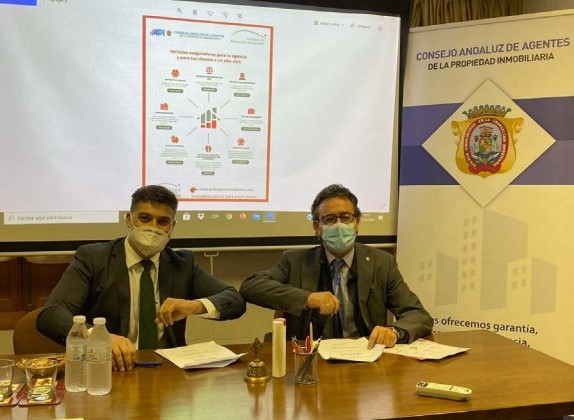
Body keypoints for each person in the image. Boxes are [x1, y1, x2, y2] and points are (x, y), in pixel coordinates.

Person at [37, 185, 246, 371]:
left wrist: (194, 306)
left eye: (162, 221)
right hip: (109, 369)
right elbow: (50, 315)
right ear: (129, 219)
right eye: (145, 218)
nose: (153, 227)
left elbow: (234, 300)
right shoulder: (93, 258)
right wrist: (98, 337)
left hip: (168, 371)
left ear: (172, 227)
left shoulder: (182, 263)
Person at [240, 184, 432, 349]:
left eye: (346, 217)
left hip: (366, 358)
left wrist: (395, 332)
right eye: (329, 219)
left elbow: (418, 315)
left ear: (356, 222)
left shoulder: (381, 263)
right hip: (312, 359)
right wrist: (307, 298)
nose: (339, 225)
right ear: (317, 227)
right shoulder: (295, 261)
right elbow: (251, 286)